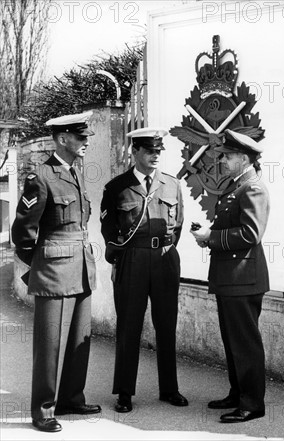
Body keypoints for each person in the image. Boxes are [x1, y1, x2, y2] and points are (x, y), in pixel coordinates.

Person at [11, 111, 101, 432]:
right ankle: (43, 409)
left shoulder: (76, 173)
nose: (86, 142)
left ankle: (71, 399)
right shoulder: (42, 177)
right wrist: (38, 266)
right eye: (81, 137)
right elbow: (22, 232)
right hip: (53, 272)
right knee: (49, 345)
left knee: (79, 340)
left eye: (87, 137)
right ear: (63, 139)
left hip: (81, 269)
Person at [99, 128, 187, 413]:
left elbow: (179, 225)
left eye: (159, 151)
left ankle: (169, 388)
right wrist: (122, 257)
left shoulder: (171, 185)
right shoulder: (117, 188)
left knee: (166, 325)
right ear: (135, 152)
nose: (155, 156)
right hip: (132, 260)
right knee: (129, 327)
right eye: (149, 151)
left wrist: (164, 250)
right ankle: (125, 392)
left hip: (164, 258)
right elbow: (109, 229)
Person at [191, 129, 270, 423]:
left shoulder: (252, 188)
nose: (222, 160)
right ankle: (238, 393)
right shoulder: (237, 185)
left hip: (243, 278)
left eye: (227, 156)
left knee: (245, 343)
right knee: (233, 340)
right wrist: (208, 236)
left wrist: (212, 235)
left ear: (243, 158)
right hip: (231, 278)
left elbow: (251, 233)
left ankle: (252, 403)